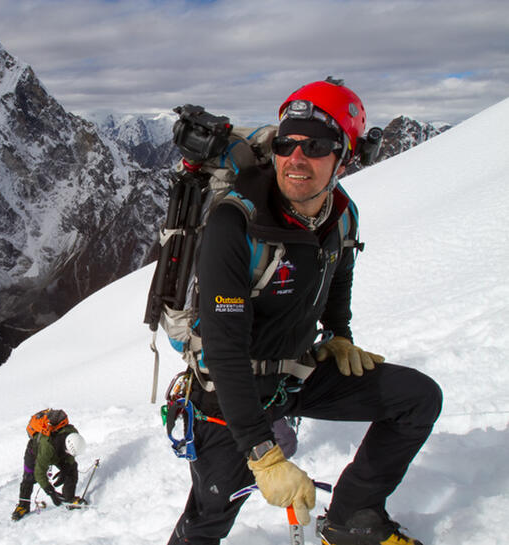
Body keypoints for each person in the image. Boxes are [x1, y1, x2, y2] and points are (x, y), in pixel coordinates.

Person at [166, 79, 442, 545]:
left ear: (343, 156)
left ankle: (354, 517)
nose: (296, 158)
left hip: (296, 374)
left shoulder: (340, 214)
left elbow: (338, 271)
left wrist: (338, 334)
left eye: (315, 146)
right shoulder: (235, 223)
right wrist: (262, 454)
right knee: (207, 522)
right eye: (286, 143)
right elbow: (225, 347)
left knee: (417, 399)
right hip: (229, 394)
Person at [11, 409, 87, 521]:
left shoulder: (73, 435)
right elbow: (39, 472)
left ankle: (69, 498)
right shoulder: (48, 448)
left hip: (59, 453)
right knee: (29, 478)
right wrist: (50, 491)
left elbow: (70, 458)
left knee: (72, 469)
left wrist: (66, 470)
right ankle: (23, 506)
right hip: (35, 453)